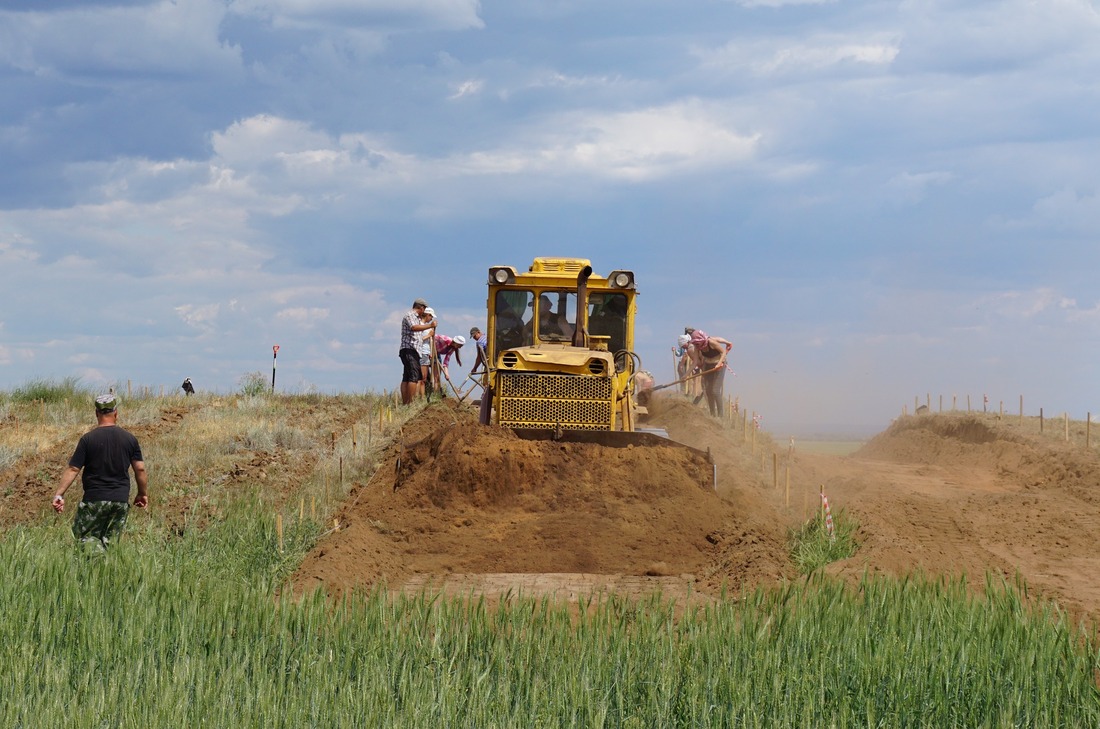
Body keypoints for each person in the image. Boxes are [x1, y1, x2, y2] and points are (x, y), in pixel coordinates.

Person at [52, 393, 149, 552]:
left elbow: (73, 469)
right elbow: (140, 468)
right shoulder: (130, 439)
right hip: (120, 500)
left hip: (94, 500)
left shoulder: (88, 439)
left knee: (86, 540)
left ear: (96, 413)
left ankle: (93, 572)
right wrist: (142, 493)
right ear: (116, 412)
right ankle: (108, 573)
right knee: (111, 545)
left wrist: (59, 494)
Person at [689, 329, 733, 417]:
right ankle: (712, 414)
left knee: (715, 391)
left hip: (719, 366)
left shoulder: (711, 342)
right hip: (708, 366)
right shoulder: (697, 347)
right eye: (696, 344)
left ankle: (721, 416)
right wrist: (686, 375)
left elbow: (723, 352)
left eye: (698, 343)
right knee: (708, 391)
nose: (697, 345)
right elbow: (695, 362)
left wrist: (719, 363)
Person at [400, 298, 436, 405]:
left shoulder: (416, 318)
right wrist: (430, 326)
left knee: (407, 377)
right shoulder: (410, 315)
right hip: (409, 349)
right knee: (413, 377)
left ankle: (406, 403)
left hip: (413, 350)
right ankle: (409, 403)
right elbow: (414, 327)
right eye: (423, 309)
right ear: (420, 307)